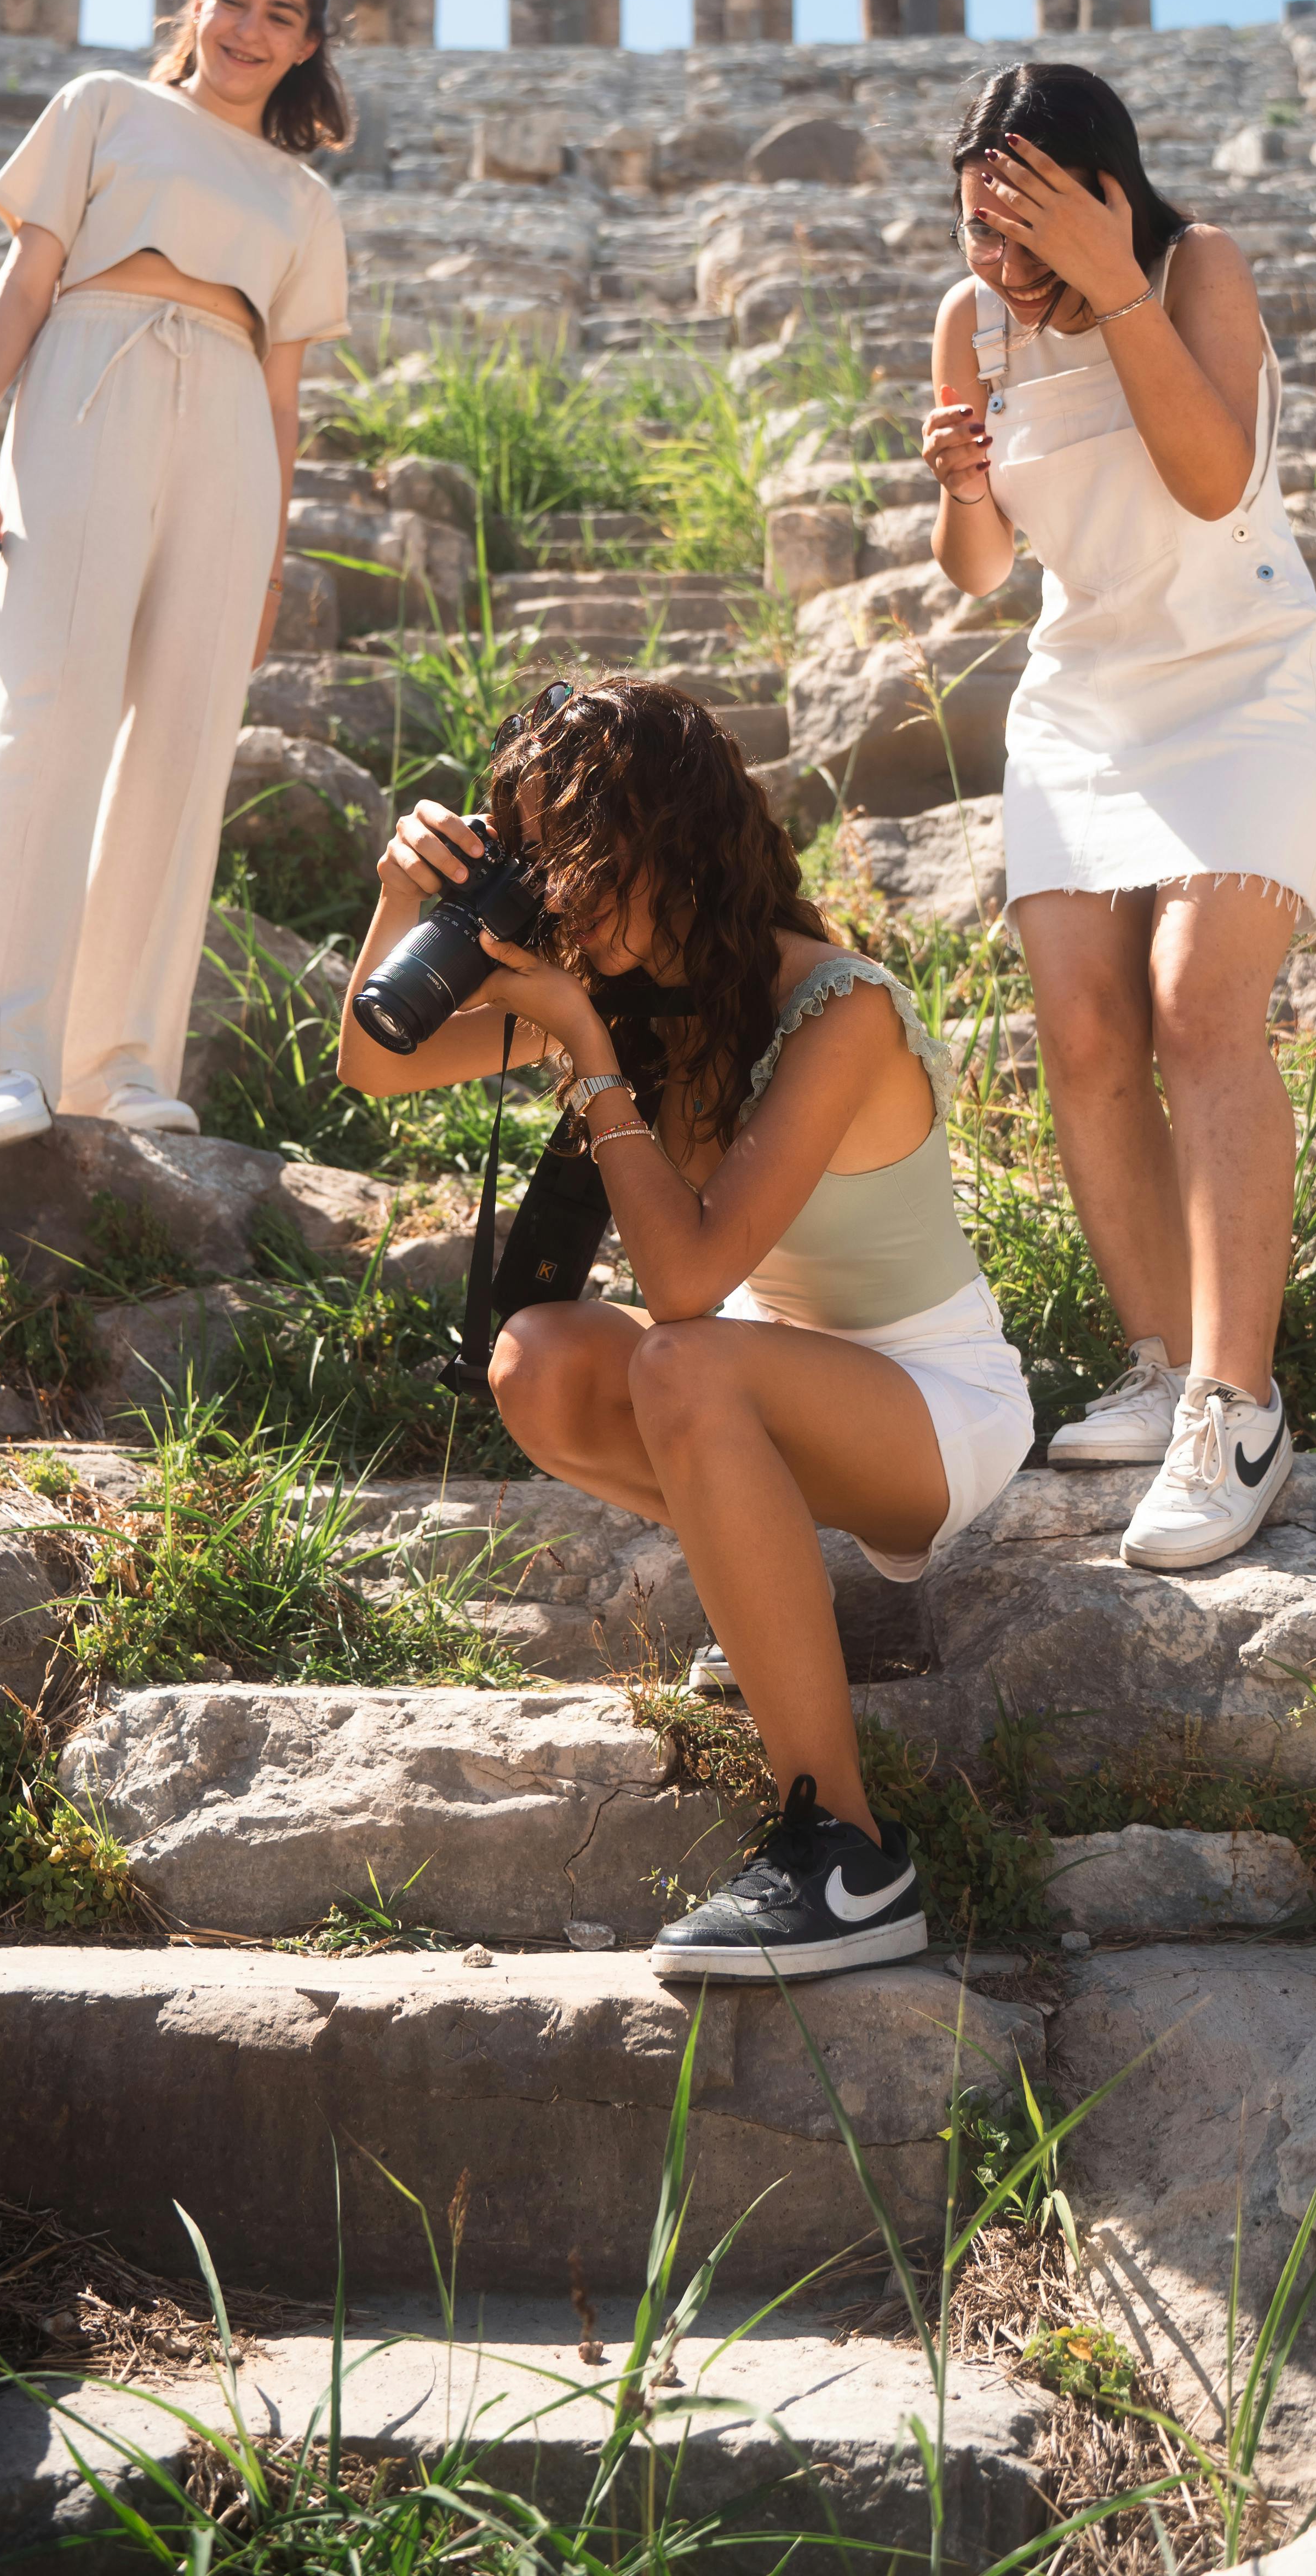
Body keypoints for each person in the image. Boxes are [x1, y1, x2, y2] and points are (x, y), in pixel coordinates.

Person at [335, 677, 1036, 1981]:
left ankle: (847, 1854)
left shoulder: (838, 1009)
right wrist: (402, 899)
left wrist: (585, 1051)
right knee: (534, 1362)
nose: (560, 902)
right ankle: (778, 1591)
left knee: (681, 1359)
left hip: (936, 1416)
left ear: (672, 850)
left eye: (583, 864)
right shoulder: (625, 984)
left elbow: (689, 1286)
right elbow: (374, 1062)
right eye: (537, 861)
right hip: (779, 1390)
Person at [921, 60, 1316, 1572]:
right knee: (1085, 1037)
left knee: (1196, 1008)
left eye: (1030, 226)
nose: (1001, 262)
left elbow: (1220, 481)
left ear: (1106, 190)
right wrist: (960, 489)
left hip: (1244, 681)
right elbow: (980, 574)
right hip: (1082, 704)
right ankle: (1164, 1363)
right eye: (979, 226)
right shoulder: (971, 325)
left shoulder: (1194, 267)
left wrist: (1116, 289)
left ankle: (1241, 1411)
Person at [0, 0, 350, 1154]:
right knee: (45, 705)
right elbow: (28, 280)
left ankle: (117, 1062)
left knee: (183, 741)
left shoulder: (302, 197)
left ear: (308, 45)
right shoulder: (102, 105)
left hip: (226, 423)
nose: (249, 29)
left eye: (280, 15)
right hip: (88, 381)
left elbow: (282, 395)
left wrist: (269, 564)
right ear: (195, 1)